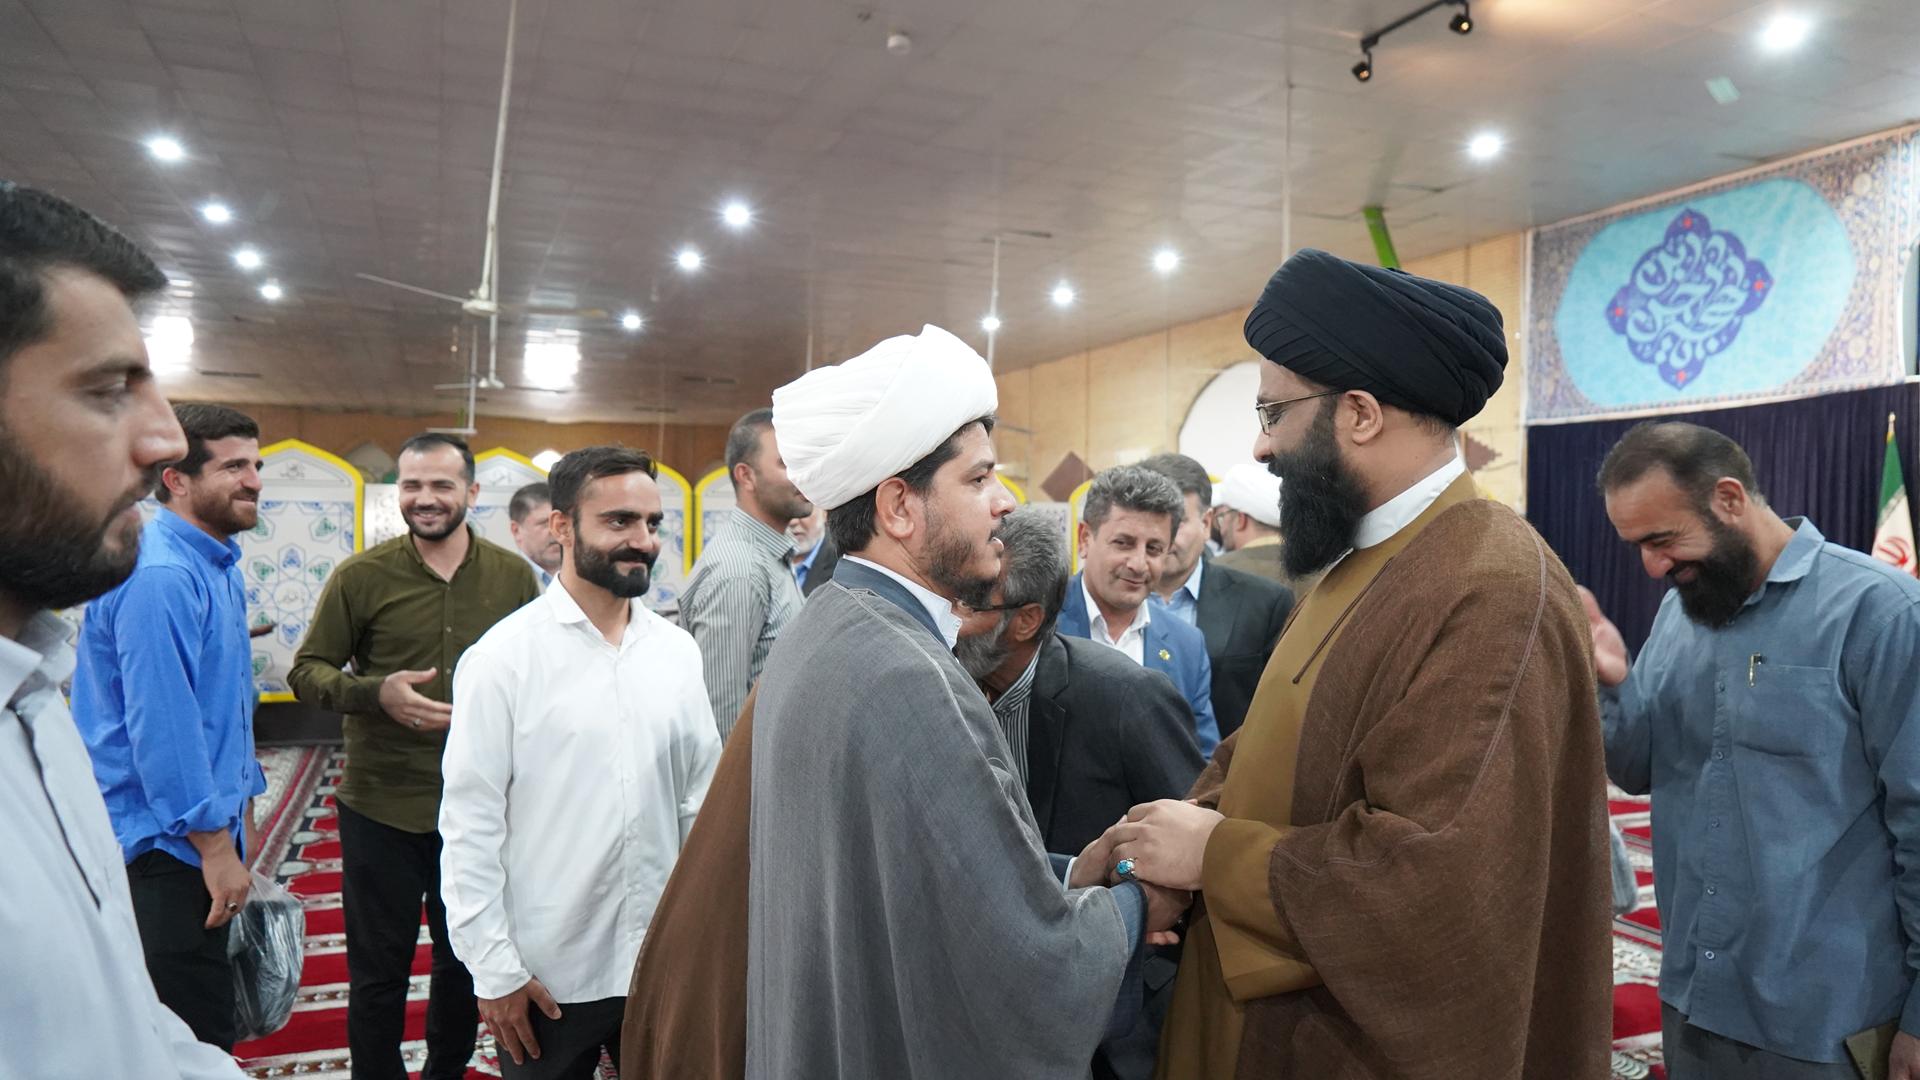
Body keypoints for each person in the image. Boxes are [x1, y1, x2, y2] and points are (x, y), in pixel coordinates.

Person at [1107, 248, 1611, 1079]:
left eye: (1273, 412)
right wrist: (1160, 840)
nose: (1260, 447)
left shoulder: (1492, 585)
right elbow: (1271, 750)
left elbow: (1434, 884)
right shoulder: (1368, 560)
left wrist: (1214, 857)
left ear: (1363, 414)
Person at [748, 324, 1187, 1077]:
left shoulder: (830, 624)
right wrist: (1139, 904)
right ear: (898, 506)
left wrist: (1071, 872)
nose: (1005, 503)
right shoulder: (907, 671)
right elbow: (1015, 957)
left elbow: (929, 874)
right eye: (979, 479)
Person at [1586, 421, 1920, 1079]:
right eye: (1638, 547)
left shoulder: (1882, 613)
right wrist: (1614, 684)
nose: (1653, 567)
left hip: (1828, 1019)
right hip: (1693, 996)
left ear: (1730, 499)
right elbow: (1640, 768)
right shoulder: (1681, 614)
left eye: (1662, 539)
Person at [0, 181, 244, 1076]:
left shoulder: (33, 703)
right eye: (108, 391)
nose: (167, 442)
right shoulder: (160, 578)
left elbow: (128, 1032)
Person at [442, 446, 721, 1079]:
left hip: (661, 965)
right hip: (547, 975)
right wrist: (494, 971)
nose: (643, 540)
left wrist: (703, 942)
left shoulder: (676, 653)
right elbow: (470, 825)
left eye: (652, 523)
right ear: (562, 526)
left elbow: (698, 804)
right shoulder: (502, 660)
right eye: (619, 521)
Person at [288, 432, 541, 1080]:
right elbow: (308, 671)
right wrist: (376, 694)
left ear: (472, 493)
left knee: (465, 963)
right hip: (382, 805)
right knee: (379, 972)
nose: (425, 498)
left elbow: (539, 676)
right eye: (412, 486)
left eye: (441, 485)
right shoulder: (361, 577)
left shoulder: (512, 577)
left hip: (481, 810)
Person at [955, 506, 1205, 1080]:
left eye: (970, 605)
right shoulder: (944, 685)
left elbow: (1191, 835)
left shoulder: (1125, 698)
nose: (951, 618)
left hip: (1116, 1015)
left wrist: (1130, 886)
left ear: (1026, 621)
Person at [71, 402, 267, 1050]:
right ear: (176, 479)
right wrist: (215, 848)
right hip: (163, 846)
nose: (253, 481)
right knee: (187, 1035)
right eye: (233, 467)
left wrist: (242, 813)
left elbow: (222, 709)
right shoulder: (161, 575)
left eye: (256, 465)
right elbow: (164, 730)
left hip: (198, 832)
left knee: (204, 1015)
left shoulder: (213, 563)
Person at [1057, 464, 1220, 757]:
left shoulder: (1187, 645)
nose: (1138, 563)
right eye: (1123, 543)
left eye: (1154, 549)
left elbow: (1202, 758)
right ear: (1084, 538)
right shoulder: (1039, 622)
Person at [1138, 453, 1292, 741]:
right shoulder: (1104, 601)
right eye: (1151, 522)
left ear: (1207, 523)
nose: (1163, 538)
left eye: (1177, 522)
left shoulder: (1264, 604)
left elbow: (1278, 714)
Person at [679, 408, 812, 740]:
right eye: (786, 463)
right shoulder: (740, 570)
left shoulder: (769, 555)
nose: (803, 474)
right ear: (746, 476)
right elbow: (720, 721)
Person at [1210, 462, 1294, 589]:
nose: (1222, 530)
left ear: (1241, 520)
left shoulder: (1216, 572)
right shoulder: (1312, 571)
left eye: (1222, 517)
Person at [507, 481, 561, 588]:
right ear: (516, 530)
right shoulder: (502, 582)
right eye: (545, 523)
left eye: (560, 523)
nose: (556, 531)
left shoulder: (587, 577)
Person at [786, 507, 830, 592]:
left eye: (804, 512)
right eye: (785, 510)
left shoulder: (840, 563)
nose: (793, 522)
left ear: (825, 512)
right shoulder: (764, 556)